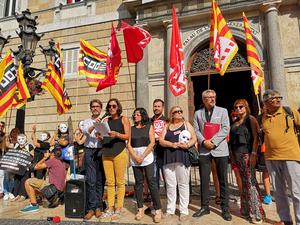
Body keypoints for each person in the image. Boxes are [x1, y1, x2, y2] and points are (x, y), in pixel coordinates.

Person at [261, 89, 300, 225]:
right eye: (273, 98)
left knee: (296, 191)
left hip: (291, 156)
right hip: (271, 158)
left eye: (279, 97)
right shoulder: (263, 117)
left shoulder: (290, 112)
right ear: (265, 103)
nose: (278, 100)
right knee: (279, 192)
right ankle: (285, 219)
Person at [192, 89, 232, 221]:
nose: (212, 99)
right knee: (204, 179)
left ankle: (225, 209)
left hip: (220, 149)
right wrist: (203, 141)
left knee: (223, 180)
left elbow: (226, 128)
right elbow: (196, 129)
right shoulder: (198, 113)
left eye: (214, 97)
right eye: (209, 97)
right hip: (204, 150)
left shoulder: (223, 111)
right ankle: (205, 207)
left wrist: (213, 142)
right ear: (203, 100)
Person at [229, 99, 265, 223]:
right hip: (237, 156)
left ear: (246, 107)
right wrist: (232, 157)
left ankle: (257, 212)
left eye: (241, 107)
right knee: (244, 183)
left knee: (251, 183)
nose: (238, 109)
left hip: (247, 155)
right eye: (236, 107)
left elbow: (256, 138)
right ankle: (245, 210)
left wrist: (254, 153)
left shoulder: (251, 119)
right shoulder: (235, 122)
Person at [159, 106, 196, 222]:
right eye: (176, 111)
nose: (179, 113)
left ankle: (184, 211)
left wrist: (187, 145)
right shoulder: (167, 126)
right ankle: (170, 210)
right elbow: (161, 140)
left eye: (181, 111)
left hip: (182, 157)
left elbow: (194, 138)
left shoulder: (186, 124)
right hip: (168, 158)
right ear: (172, 114)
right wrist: (172, 145)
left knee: (183, 184)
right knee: (170, 185)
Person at [127, 108, 162, 223]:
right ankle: (140, 208)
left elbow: (152, 142)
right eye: (134, 115)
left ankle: (158, 210)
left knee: (151, 182)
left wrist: (142, 156)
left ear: (143, 116)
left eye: (138, 114)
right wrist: (135, 157)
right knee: (138, 183)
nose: (135, 116)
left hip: (147, 157)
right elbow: (129, 145)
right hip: (135, 157)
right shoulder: (131, 129)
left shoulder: (149, 126)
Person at [100, 98, 130, 222]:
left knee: (120, 182)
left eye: (114, 106)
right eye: (109, 106)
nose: (111, 108)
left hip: (119, 152)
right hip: (106, 152)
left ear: (118, 107)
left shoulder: (124, 119)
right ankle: (111, 207)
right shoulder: (106, 120)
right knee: (110, 183)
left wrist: (117, 134)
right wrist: (100, 136)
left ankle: (119, 207)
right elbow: (104, 137)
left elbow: (127, 136)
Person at [20, 147, 66, 213]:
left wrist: (44, 158)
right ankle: (39, 200)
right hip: (59, 191)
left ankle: (33, 205)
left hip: (53, 189)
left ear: (52, 154)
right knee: (35, 186)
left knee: (28, 182)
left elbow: (36, 167)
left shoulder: (53, 160)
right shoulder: (61, 162)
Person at [81, 99, 106, 220]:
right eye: (93, 106)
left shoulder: (105, 121)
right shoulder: (86, 121)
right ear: (90, 108)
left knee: (100, 180)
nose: (95, 108)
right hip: (89, 151)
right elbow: (86, 132)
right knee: (91, 180)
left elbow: (106, 136)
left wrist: (101, 137)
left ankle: (99, 207)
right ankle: (91, 208)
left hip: (101, 151)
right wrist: (94, 125)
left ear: (101, 109)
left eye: (97, 106)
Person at [11, 134, 34, 202]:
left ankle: (23, 195)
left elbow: (32, 156)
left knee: (24, 180)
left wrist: (26, 152)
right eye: (19, 139)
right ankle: (17, 194)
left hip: (26, 167)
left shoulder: (29, 146)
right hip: (18, 167)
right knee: (17, 180)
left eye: (22, 139)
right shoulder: (16, 146)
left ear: (26, 139)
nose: (21, 140)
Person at [151, 99, 167, 189]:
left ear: (162, 108)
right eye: (155, 106)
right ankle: (155, 199)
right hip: (152, 151)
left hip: (164, 151)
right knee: (154, 176)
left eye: (158, 106)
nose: (156, 108)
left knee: (167, 176)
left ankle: (171, 199)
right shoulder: (149, 121)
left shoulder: (167, 120)